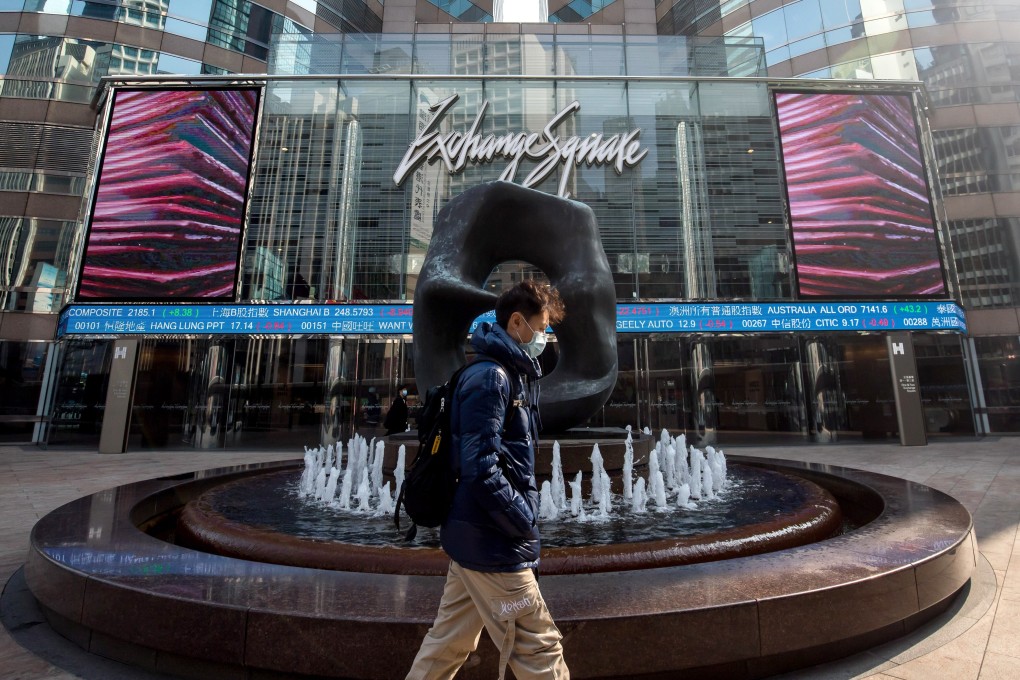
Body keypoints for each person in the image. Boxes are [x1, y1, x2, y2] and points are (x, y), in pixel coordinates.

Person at [406, 280, 569, 680]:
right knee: (539, 649)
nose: (544, 338)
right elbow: (479, 467)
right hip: (493, 541)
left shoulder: (504, 374)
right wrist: (521, 519)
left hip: (473, 536)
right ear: (517, 322)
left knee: (447, 645)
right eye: (542, 327)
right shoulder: (493, 378)